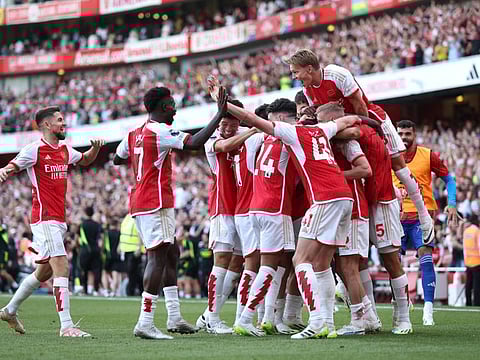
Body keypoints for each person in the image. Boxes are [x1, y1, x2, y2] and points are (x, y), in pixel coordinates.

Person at [207, 76, 368, 339]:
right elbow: (351, 125)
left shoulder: (275, 136)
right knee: (308, 263)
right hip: (301, 204)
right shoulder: (318, 131)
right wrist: (363, 117)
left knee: (295, 263)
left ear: (280, 120)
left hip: (263, 206)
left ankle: (310, 321)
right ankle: (312, 320)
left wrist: (223, 103)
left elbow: (253, 120)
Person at [284, 49, 434, 245]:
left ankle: (423, 215)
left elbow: (360, 105)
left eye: (295, 72)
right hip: (346, 128)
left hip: (370, 119)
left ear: (309, 69)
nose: (294, 77)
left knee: (398, 164)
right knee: (361, 170)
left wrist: (365, 132)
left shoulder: (337, 74)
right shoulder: (307, 91)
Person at [113, 85, 229, 340]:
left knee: (171, 252)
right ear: (163, 107)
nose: (174, 109)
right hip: (156, 202)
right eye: (172, 104)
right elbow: (195, 143)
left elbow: (117, 159)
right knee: (156, 258)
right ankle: (145, 321)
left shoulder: (134, 134)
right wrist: (219, 113)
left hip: (140, 202)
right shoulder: (161, 131)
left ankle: (174, 316)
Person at [0, 106, 105, 337]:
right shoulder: (35, 149)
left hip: (59, 219)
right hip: (44, 217)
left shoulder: (65, 149)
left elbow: (85, 160)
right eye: (59, 120)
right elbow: (14, 165)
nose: (63, 124)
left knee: (44, 272)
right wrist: (5, 171)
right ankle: (66, 325)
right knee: (61, 265)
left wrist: (95, 149)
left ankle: (9, 310)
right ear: (47, 125)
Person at [234, 99, 298, 337]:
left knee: (275, 263)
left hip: (257, 207)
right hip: (275, 209)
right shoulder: (287, 138)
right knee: (268, 267)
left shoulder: (265, 140)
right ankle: (247, 318)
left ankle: (266, 317)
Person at [393, 119, 458, 325]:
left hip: (423, 216)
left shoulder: (427, 155)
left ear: (415, 135)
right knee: (392, 263)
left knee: (426, 258)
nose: (404, 138)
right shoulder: (390, 156)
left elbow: (449, 178)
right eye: (400, 134)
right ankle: (402, 305)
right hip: (397, 216)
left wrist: (452, 203)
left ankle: (428, 310)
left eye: (407, 134)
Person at [196, 100, 252, 334]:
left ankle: (209, 315)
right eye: (223, 123)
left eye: (231, 124)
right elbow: (225, 147)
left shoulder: (244, 135)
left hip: (242, 208)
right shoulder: (213, 139)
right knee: (221, 260)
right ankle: (213, 317)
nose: (226, 128)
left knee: (237, 262)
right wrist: (254, 129)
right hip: (221, 207)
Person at [78, 206, 103, 296]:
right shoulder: (97, 225)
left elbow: (79, 238)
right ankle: (96, 290)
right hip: (95, 249)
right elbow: (100, 238)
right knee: (96, 270)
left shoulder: (82, 225)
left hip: (85, 249)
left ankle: (85, 290)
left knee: (84, 270)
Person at [118, 213, 144, 296]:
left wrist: (139, 247)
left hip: (134, 249)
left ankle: (131, 291)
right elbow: (123, 231)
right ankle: (139, 290)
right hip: (126, 249)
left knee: (132, 272)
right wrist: (120, 245)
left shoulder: (138, 217)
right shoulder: (127, 217)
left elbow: (140, 232)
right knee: (133, 272)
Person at [463, 215, 480, 306]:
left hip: (468, 261)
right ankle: (477, 303)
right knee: (477, 285)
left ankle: (468, 303)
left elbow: (464, 248)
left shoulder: (466, 231)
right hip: (477, 261)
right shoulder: (477, 231)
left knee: (468, 284)